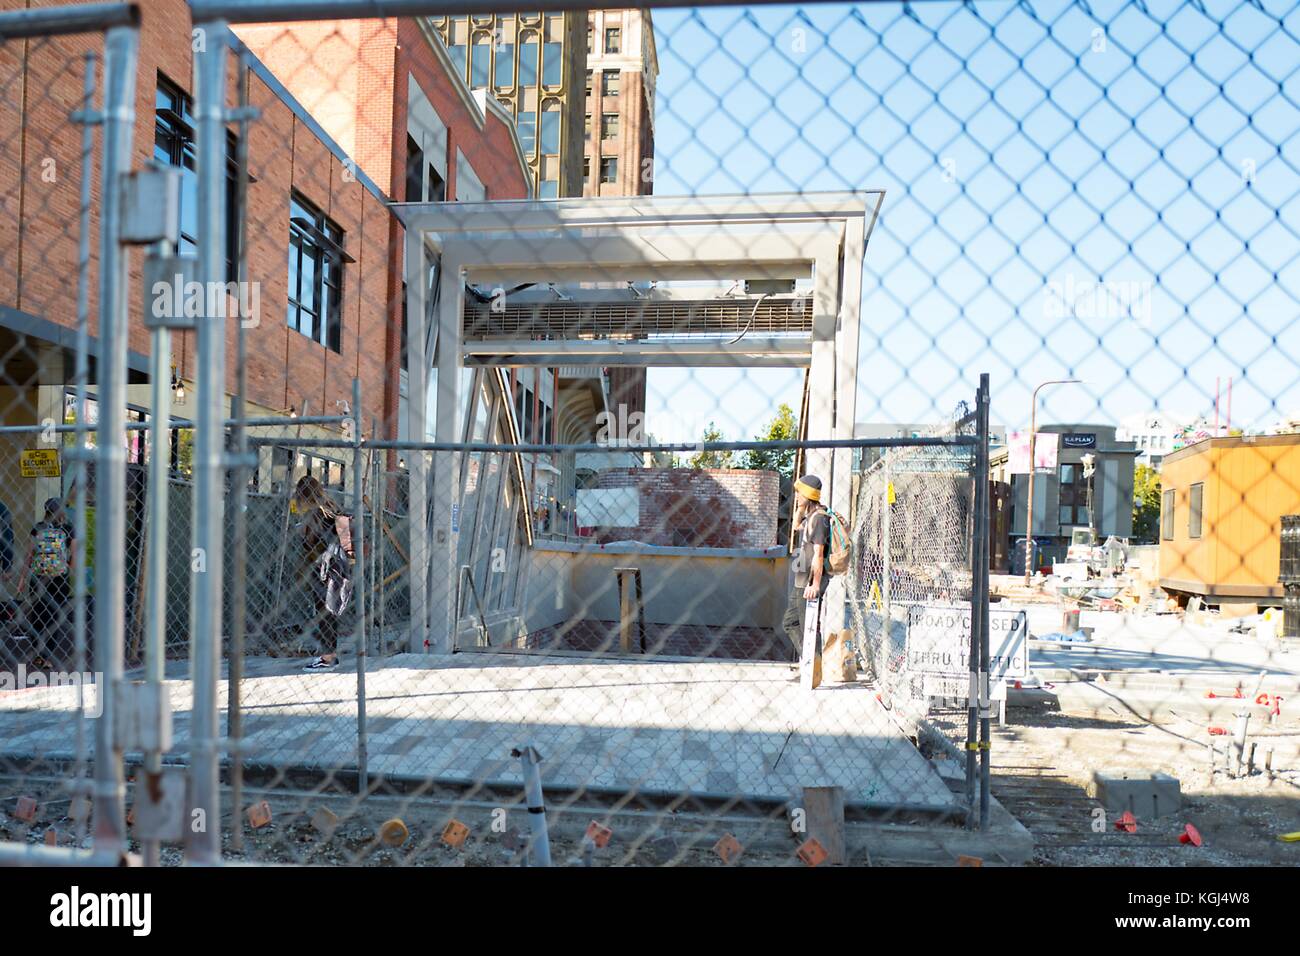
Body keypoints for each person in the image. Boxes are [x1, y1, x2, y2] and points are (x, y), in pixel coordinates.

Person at [293, 475, 350, 670]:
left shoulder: (315, 513)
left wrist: (302, 531)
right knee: (330, 610)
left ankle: (327, 658)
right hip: (338, 564)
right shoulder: (331, 507)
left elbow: (312, 542)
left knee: (323, 611)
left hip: (322, 567)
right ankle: (330, 655)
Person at [14, 497, 74, 669]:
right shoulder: (69, 529)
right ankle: (47, 657)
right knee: (54, 617)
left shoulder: (38, 528)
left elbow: (29, 555)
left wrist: (22, 579)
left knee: (37, 616)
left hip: (38, 578)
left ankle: (38, 654)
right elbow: (75, 556)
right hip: (60, 579)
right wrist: (66, 569)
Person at [781, 474, 830, 664]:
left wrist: (815, 584)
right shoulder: (811, 516)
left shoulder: (819, 519)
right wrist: (801, 507)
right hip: (802, 579)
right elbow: (795, 526)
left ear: (809, 494)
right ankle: (811, 661)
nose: (797, 496)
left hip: (810, 580)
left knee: (808, 625)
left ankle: (814, 664)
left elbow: (819, 553)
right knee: (790, 622)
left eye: (800, 493)